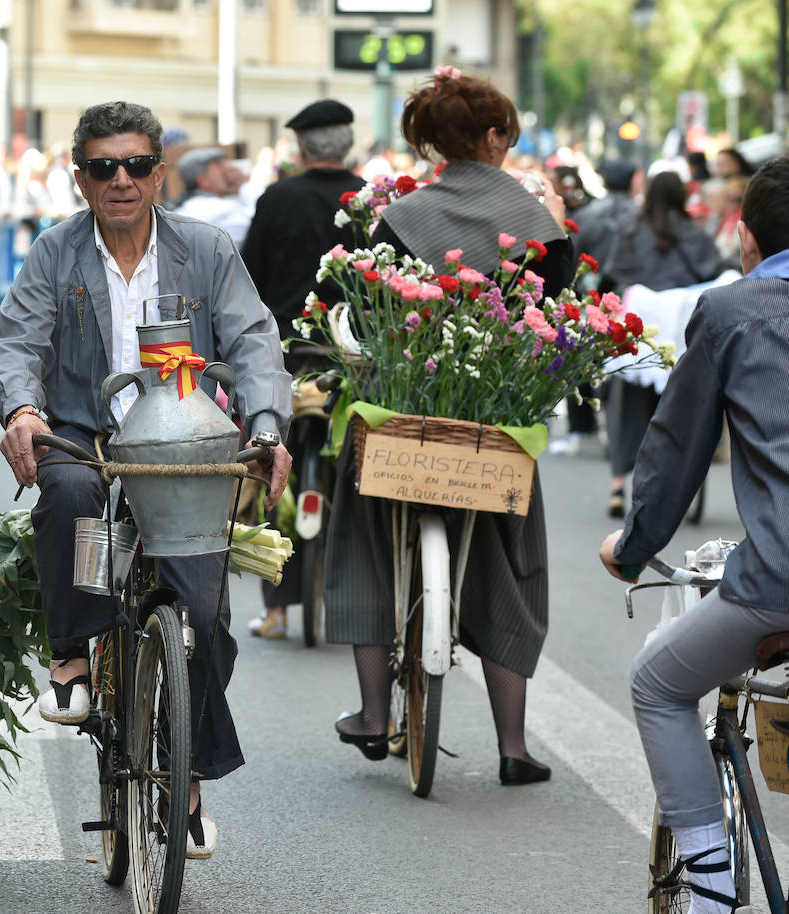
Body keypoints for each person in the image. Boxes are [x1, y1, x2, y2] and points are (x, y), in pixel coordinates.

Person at [0, 100, 292, 859]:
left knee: (204, 618)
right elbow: (17, 339)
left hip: (181, 438)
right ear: (80, 177)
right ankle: (71, 656)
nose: (119, 180)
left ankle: (184, 785)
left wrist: (265, 425)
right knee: (68, 494)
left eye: (133, 165)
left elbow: (253, 339)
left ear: (159, 173)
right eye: (101, 167)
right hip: (80, 432)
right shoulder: (55, 251)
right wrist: (23, 410)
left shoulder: (206, 248)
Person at [326, 68, 573, 786]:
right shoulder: (537, 223)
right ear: (496, 137)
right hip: (493, 419)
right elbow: (561, 317)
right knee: (512, 558)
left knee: (364, 533)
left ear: (431, 141)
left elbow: (348, 304)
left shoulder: (402, 217)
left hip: (406, 413)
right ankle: (514, 746)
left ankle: (373, 713)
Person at [599, 156, 789, 914]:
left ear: (745, 238)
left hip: (774, 578)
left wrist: (634, 547)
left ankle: (709, 892)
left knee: (659, 683)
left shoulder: (732, 311)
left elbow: (675, 452)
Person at [239, 98, 364, 638]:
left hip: (285, 353)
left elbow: (246, 278)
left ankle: (274, 609)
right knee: (360, 468)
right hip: (353, 355)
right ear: (349, 145)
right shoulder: (369, 202)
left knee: (273, 459)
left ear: (303, 147)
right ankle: (359, 599)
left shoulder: (277, 199)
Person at [601, 171, 722, 518]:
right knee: (684, 409)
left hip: (639, 333)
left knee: (626, 402)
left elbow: (611, 277)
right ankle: (684, 484)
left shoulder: (631, 232)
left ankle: (617, 484)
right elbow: (714, 273)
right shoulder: (695, 235)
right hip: (683, 335)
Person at [172, 146, 253, 246]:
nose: (227, 171)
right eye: (219, 166)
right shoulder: (212, 207)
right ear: (203, 180)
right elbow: (261, 220)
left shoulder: (189, 206)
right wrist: (242, 182)